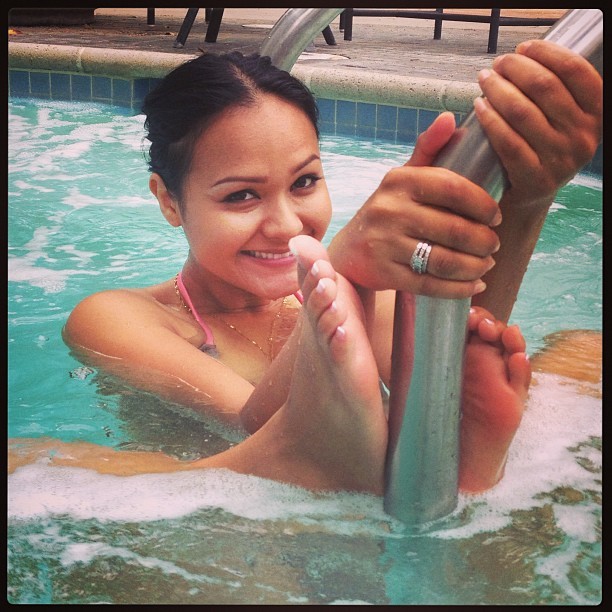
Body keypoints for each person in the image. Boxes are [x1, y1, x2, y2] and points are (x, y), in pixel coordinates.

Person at [9, 42, 602, 495]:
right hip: (224, 518)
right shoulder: (117, 317)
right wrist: (341, 262)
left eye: (304, 182)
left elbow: (450, 354)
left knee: (587, 349)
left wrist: (528, 196)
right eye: (241, 196)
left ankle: (464, 468)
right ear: (168, 201)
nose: (287, 223)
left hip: (340, 504)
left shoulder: (346, 303)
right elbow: (255, 425)